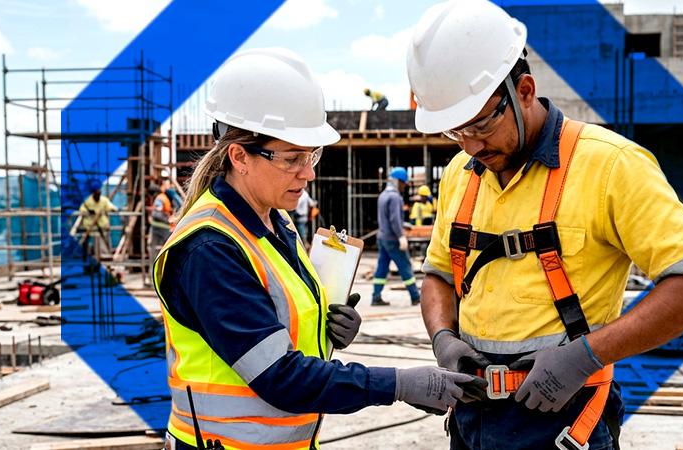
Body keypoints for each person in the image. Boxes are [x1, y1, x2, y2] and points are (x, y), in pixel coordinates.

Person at [406, 1, 683, 449]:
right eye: (455, 131)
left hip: (563, 420)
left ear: (523, 90)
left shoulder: (611, 165)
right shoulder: (462, 176)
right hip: (472, 418)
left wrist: (584, 356)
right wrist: (443, 337)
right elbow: (439, 274)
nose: (471, 144)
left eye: (481, 124)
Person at [151, 47, 483, 450]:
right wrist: (397, 384)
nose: (307, 173)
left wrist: (326, 327)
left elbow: (280, 323)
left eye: (311, 156)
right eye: (292, 159)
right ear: (239, 156)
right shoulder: (209, 249)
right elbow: (279, 376)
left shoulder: (276, 219)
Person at [371, 167, 421, 307]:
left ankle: (376, 297)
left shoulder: (383, 195)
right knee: (405, 266)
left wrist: (402, 224)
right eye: (404, 183)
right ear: (399, 182)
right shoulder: (395, 197)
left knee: (382, 267)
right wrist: (401, 236)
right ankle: (415, 296)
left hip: (382, 237)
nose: (404, 186)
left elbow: (387, 218)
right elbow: (394, 219)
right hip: (393, 239)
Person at [78, 179, 118, 259]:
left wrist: (114, 209)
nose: (98, 194)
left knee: (106, 241)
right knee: (95, 242)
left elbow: (110, 206)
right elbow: (82, 209)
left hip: (102, 225)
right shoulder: (88, 201)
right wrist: (88, 211)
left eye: (99, 192)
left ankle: (106, 255)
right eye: (96, 193)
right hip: (91, 226)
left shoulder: (104, 200)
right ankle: (98, 257)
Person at [146, 184, 173, 287]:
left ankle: (155, 282)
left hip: (158, 230)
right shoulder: (164, 197)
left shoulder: (159, 199)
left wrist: (151, 214)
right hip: (165, 229)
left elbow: (157, 214)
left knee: (154, 255)